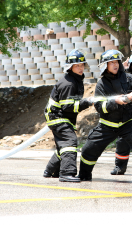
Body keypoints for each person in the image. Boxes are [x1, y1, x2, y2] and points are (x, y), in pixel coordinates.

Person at [79, 50, 132, 186]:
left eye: (116, 62)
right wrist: (115, 102)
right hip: (107, 125)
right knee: (89, 148)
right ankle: (84, 175)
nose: (115, 65)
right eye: (111, 62)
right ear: (105, 65)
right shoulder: (101, 84)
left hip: (127, 124)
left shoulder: (127, 78)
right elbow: (100, 107)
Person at [43, 49, 93, 183]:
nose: (81, 68)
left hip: (62, 117)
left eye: (82, 65)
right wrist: (86, 103)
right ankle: (66, 173)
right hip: (57, 116)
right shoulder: (69, 83)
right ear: (70, 67)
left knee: (63, 146)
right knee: (69, 142)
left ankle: (50, 170)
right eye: (77, 65)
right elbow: (68, 106)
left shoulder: (75, 80)